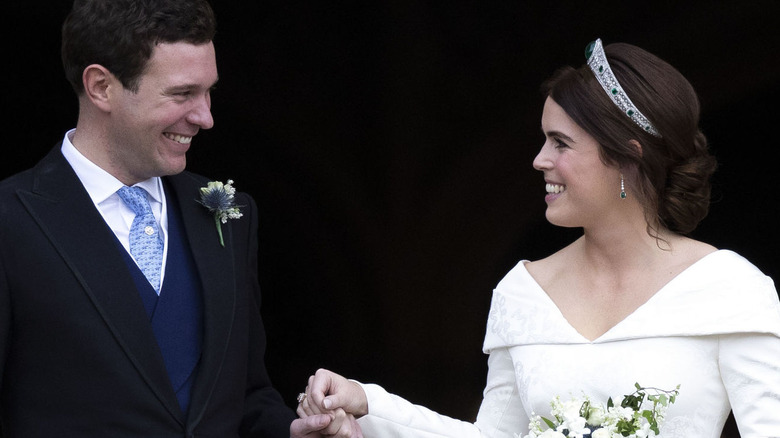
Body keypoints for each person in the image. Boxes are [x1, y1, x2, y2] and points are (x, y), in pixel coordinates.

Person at [294, 38, 780, 437]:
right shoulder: (523, 292)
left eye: (561, 143)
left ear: (629, 157)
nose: (539, 159)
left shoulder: (730, 289)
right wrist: (366, 406)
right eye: (544, 139)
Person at [0, 0, 358, 436]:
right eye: (182, 93)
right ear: (100, 87)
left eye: (208, 92)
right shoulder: (12, 220)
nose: (205, 117)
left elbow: (244, 398)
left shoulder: (230, 215)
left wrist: (293, 432)